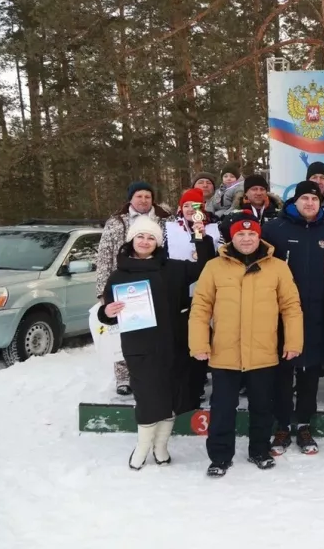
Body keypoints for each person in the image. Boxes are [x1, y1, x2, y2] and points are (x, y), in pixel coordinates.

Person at [189, 212, 304, 477]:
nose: (247, 238)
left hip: (263, 351)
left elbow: (291, 307)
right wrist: (199, 343)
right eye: (241, 234)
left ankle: (260, 450)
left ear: (259, 236)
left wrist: (293, 341)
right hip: (224, 352)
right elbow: (200, 308)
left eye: (252, 234)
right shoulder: (214, 267)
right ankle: (219, 456)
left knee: (263, 406)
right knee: (223, 408)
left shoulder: (277, 267)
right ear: (233, 237)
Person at [97, 215, 216, 470]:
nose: (145, 241)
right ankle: (143, 446)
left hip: (173, 344)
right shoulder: (119, 274)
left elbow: (206, 266)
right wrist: (107, 312)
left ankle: (161, 446)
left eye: (151, 237)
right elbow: (104, 311)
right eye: (140, 236)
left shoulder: (173, 268)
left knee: (171, 396)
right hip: (140, 348)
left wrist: (200, 237)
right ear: (131, 239)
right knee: (148, 397)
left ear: (158, 243)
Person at [261, 181, 324, 456]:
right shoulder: (274, 229)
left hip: (316, 314)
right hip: (281, 314)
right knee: (283, 371)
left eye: (315, 199)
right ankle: (282, 426)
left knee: (309, 371)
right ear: (294, 201)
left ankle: (304, 424)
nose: (310, 203)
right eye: (305, 198)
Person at [95, 181, 171, 396]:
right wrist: (103, 291)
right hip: (123, 282)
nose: (144, 200)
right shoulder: (117, 222)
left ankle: (154, 373)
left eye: (148, 196)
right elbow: (104, 255)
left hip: (153, 280)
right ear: (130, 199)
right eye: (139, 196)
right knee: (122, 331)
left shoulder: (164, 220)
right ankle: (123, 376)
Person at [163, 188, 222, 404]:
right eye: (186, 205)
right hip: (179, 293)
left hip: (208, 292)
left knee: (205, 338)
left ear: (202, 209)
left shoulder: (214, 229)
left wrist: (201, 236)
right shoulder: (169, 229)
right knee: (181, 340)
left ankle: (200, 383)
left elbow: (220, 257)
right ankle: (183, 387)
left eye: (195, 206)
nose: (190, 210)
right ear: (180, 208)